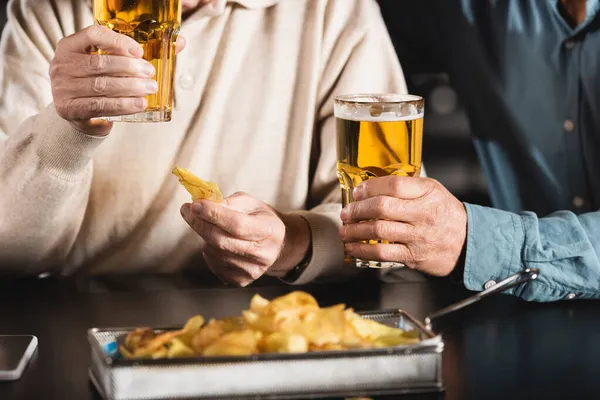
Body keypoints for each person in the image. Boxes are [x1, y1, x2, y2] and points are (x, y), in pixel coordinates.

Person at [0, 0, 415, 286]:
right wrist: (67, 129)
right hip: (80, 316)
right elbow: (10, 254)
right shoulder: (47, 10)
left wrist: (291, 243)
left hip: (273, 316)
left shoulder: (335, 11)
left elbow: (392, 229)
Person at [342, 0, 600, 302]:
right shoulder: (459, 10)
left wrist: (473, 242)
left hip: (502, 286)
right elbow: (345, 30)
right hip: (511, 313)